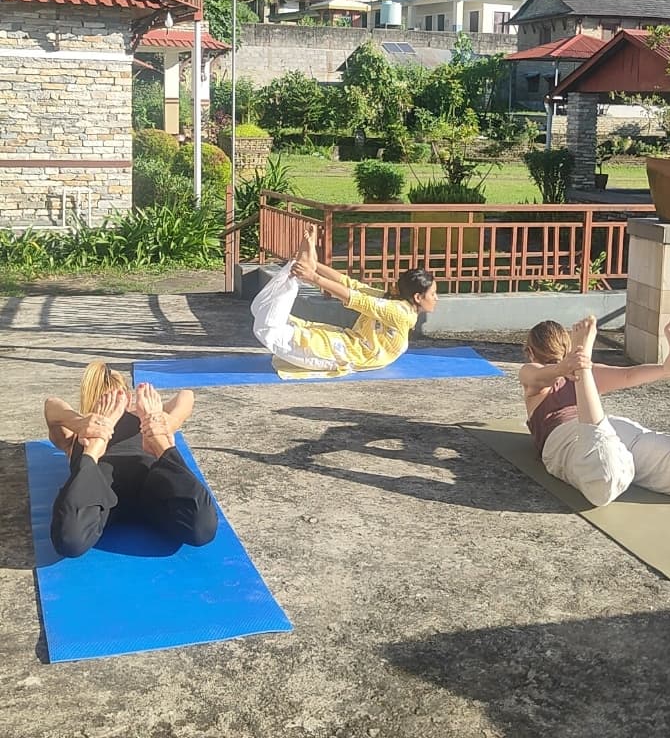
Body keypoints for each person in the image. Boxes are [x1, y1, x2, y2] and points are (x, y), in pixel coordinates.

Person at [519, 313, 670, 507]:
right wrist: (667, 370)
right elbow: (628, 375)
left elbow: (628, 375)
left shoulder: (540, 372)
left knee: (604, 482)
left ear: (530, 352)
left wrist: (668, 369)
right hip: (611, 431)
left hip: (580, 437)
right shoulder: (560, 373)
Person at [44, 362, 218, 558]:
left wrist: (167, 423)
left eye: (117, 399)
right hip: (99, 491)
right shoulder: (81, 429)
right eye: (108, 401)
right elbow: (51, 405)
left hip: (152, 486)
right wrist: (83, 424)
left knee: (202, 529)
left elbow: (187, 396)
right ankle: (103, 447)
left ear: (127, 399)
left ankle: (159, 443)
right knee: (70, 540)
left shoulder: (145, 419)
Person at [251, 225, 438, 379]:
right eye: (433, 294)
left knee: (268, 326)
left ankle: (298, 270)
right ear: (417, 297)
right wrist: (314, 271)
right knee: (269, 325)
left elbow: (353, 292)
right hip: (347, 351)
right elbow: (352, 289)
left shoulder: (394, 306)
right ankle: (300, 269)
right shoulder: (398, 310)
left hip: (347, 347)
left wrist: (314, 274)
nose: (436, 298)